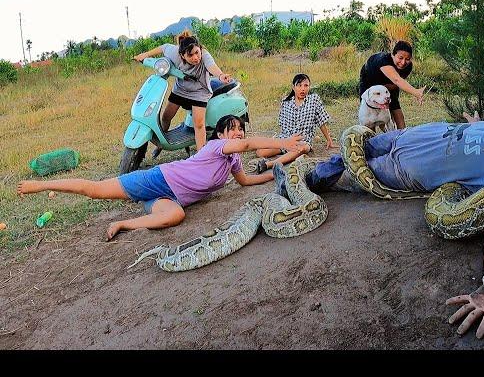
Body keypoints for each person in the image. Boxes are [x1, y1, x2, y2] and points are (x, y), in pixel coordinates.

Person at [274, 113, 484, 339]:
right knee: (352, 146)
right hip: (415, 134)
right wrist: (475, 125)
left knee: (338, 172)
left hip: (404, 169)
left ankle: (292, 181)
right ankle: (303, 172)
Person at [18, 115, 305, 241]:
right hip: (158, 179)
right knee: (96, 190)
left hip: (170, 198)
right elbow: (245, 145)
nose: (239, 134)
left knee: (176, 215)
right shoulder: (217, 147)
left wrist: (272, 174)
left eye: (241, 129)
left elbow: (245, 181)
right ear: (221, 135)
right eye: (233, 129)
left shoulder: (233, 160)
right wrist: (283, 143)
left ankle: (122, 224)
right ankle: (40, 185)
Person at [133, 31, 232, 153]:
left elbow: (212, 66)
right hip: (181, 89)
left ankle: (202, 155)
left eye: (197, 52)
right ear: (182, 56)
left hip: (199, 92)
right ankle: (160, 145)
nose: (196, 57)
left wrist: (221, 75)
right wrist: (145, 55)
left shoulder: (205, 55)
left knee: (199, 124)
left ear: (200, 49)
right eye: (190, 55)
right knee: (166, 117)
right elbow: (163, 47)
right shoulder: (174, 52)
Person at [254, 73, 338, 174]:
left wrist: (328, 139)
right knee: (260, 152)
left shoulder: (314, 100)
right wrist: (281, 142)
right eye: (299, 85)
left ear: (309, 87)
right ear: (293, 87)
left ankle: (269, 164)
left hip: (302, 141)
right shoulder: (286, 102)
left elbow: (322, 121)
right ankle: (287, 152)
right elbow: (282, 125)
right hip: (286, 139)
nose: (303, 89)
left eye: (306, 85)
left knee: (303, 148)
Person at [358, 40, 426, 130]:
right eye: (400, 58)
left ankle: (402, 135)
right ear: (393, 55)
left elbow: (397, 83)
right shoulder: (383, 60)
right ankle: (372, 138)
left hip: (389, 83)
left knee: (394, 105)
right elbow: (397, 80)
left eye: (408, 59)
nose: (403, 62)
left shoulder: (408, 66)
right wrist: (416, 92)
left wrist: (388, 89)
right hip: (370, 81)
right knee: (370, 114)